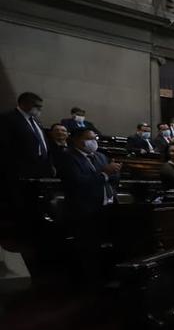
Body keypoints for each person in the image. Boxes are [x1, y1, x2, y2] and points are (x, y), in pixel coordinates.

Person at [55, 128, 121, 287]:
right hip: (84, 210)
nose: (94, 142)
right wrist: (104, 174)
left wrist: (113, 172)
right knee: (89, 249)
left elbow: (113, 178)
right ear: (77, 140)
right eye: (89, 139)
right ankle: (91, 283)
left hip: (105, 206)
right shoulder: (68, 157)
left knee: (110, 245)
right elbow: (78, 182)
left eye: (95, 138)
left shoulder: (100, 156)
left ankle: (109, 276)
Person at [1, 91, 52, 180]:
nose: (40, 109)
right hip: (19, 171)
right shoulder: (7, 118)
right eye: (37, 106)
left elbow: (43, 142)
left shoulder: (36, 121)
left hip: (41, 168)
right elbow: (5, 145)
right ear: (24, 104)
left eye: (41, 106)